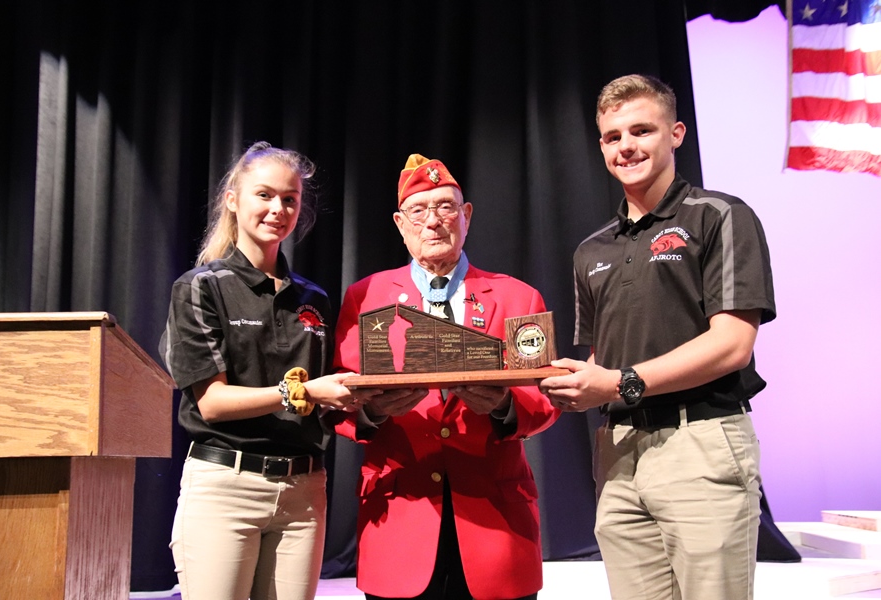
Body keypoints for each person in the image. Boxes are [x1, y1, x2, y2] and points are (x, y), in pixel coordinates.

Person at [539, 74, 776, 600]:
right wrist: (575, 385)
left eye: (641, 130)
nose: (627, 146)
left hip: (701, 441)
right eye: (612, 136)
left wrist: (619, 382)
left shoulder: (720, 216)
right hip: (619, 450)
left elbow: (733, 343)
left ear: (676, 133)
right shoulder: (590, 249)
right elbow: (603, 354)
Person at [329, 154, 560, 600]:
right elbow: (340, 392)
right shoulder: (366, 297)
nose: (433, 221)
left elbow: (545, 400)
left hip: (496, 525)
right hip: (400, 519)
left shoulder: (517, 296)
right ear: (400, 223)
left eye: (445, 207)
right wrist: (372, 412)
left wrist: (504, 405)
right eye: (419, 211)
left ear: (466, 216)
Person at [159, 141, 362, 600]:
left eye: (289, 199)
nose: (278, 209)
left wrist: (370, 398)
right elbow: (211, 404)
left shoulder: (316, 300)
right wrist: (306, 392)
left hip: (304, 491)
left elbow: (328, 404)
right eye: (265, 195)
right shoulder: (200, 288)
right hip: (224, 488)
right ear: (234, 199)